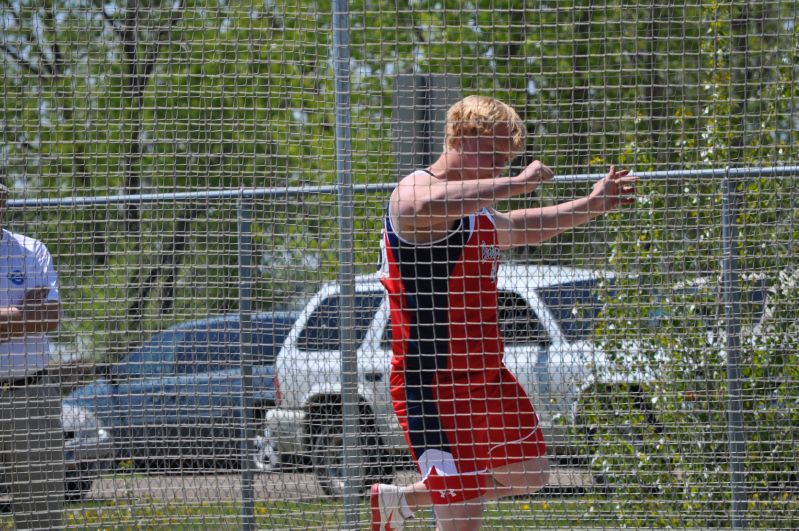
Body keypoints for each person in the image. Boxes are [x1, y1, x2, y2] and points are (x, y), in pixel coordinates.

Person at [373, 95, 637, 531]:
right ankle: (436, 495)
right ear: (461, 138)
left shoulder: (478, 214)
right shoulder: (414, 190)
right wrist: (514, 183)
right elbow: (421, 207)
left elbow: (522, 225)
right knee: (463, 523)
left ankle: (402, 500)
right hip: (435, 388)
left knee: (530, 472)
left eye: (505, 161)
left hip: (487, 377)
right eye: (494, 155)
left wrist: (593, 205)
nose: (499, 166)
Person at [0, 177, 64, 529]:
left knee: (41, 514)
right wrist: (22, 315)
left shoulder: (31, 250)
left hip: (31, 394)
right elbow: (36, 318)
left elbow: (51, 317)